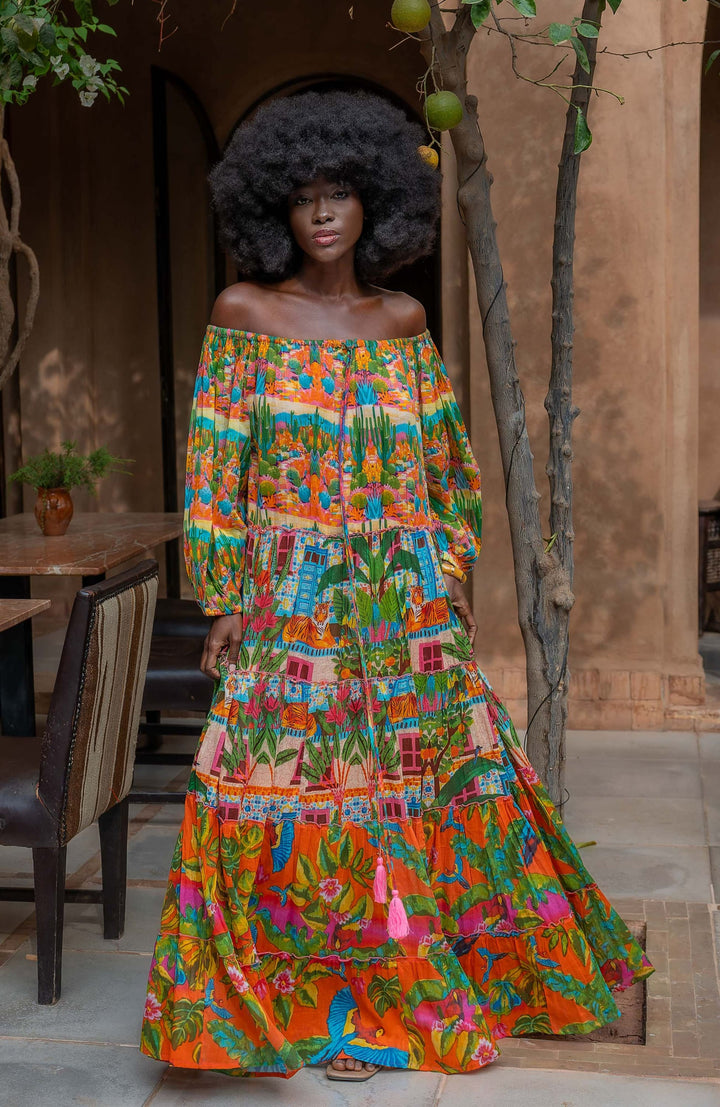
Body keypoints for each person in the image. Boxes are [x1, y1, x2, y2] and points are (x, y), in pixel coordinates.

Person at [139, 88, 653, 1082]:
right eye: (303, 197)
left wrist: (449, 576)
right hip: (292, 604)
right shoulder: (244, 314)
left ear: (374, 199)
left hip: (401, 604)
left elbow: (446, 466)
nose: (323, 213)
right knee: (287, 792)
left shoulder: (404, 321)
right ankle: (305, 1001)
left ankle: (387, 1003)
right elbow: (214, 473)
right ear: (275, 210)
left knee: (413, 793)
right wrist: (226, 598)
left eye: (339, 192)